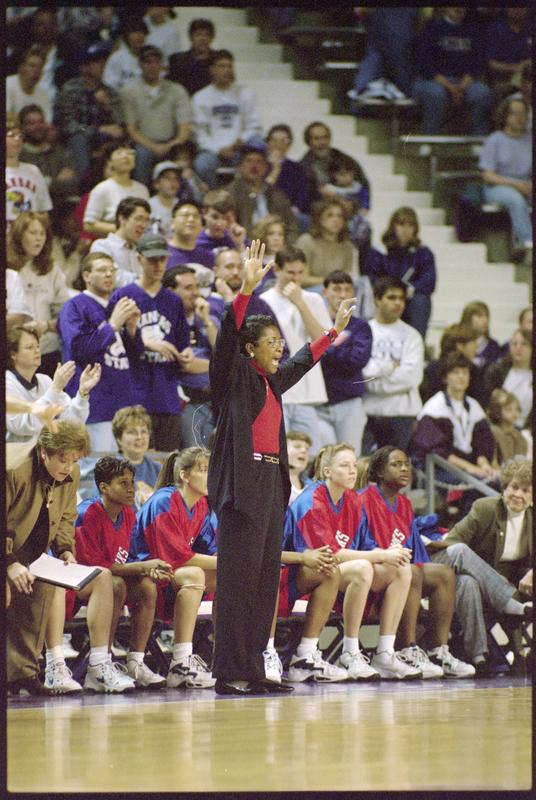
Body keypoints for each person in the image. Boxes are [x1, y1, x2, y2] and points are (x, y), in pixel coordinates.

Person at [207, 239, 357, 695]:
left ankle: (254, 668)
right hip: (242, 489)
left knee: (263, 582)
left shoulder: (270, 382)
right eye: (271, 342)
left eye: (279, 341)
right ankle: (229, 671)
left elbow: (301, 361)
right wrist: (246, 291)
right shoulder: (234, 376)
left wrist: (332, 332)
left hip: (271, 486)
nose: (279, 348)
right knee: (238, 584)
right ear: (249, 348)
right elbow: (226, 340)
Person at [285, 444, 419, 681]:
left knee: (401, 568)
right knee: (362, 567)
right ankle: (350, 652)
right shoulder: (312, 500)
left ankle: (385, 653)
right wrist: (381, 555)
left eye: (354, 465)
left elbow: (365, 546)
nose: (352, 471)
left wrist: (389, 553)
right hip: (298, 576)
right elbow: (328, 555)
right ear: (327, 471)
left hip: (336, 572)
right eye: (344, 465)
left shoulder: (352, 500)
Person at [358, 446, 475, 678]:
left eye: (407, 464)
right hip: (372, 567)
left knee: (443, 573)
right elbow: (361, 543)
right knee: (411, 570)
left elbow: (415, 550)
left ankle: (438, 651)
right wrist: (386, 555)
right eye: (396, 464)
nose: (404, 469)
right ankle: (406, 648)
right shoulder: (363, 499)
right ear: (379, 472)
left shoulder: (404, 503)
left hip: (400, 568)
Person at [6, 422, 91, 695]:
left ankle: (23, 673)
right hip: (8, 552)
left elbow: (66, 516)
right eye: (63, 459)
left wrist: (65, 549)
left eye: (74, 460)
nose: (69, 467)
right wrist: (9, 563)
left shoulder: (70, 473)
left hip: (30, 552)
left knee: (42, 586)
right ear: (44, 452)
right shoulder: (14, 470)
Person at [427, 458, 533, 675]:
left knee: (468, 583)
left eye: (525, 490)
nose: (518, 494)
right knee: (463, 557)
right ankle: (509, 603)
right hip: (449, 569)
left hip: (488, 585)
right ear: (504, 487)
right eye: (514, 487)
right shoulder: (485, 508)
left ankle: (479, 658)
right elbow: (452, 543)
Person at [75, 456, 173, 689]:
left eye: (132, 482)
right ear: (104, 487)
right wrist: (143, 566)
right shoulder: (87, 513)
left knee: (147, 586)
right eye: (123, 483)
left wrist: (147, 570)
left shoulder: (128, 513)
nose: (131, 489)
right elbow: (94, 568)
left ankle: (136, 662)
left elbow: (129, 559)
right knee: (114, 584)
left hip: (109, 579)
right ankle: (101, 664)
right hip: (79, 582)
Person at [132, 448, 217, 688]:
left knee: (228, 578)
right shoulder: (164, 501)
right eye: (203, 470)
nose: (210, 476)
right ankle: (180, 662)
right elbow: (176, 557)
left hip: (169, 577)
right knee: (195, 573)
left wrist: (228, 563)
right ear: (184, 475)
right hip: (144, 578)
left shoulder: (200, 505)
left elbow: (210, 549)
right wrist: (229, 561)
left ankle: (225, 656)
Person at [107, 231, 192, 450]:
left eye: (162, 259)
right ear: (139, 258)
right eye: (152, 259)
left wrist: (186, 353)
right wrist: (144, 342)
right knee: (134, 462)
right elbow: (110, 344)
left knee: (166, 463)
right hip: (134, 394)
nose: (158, 265)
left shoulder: (173, 301)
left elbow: (182, 343)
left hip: (166, 395)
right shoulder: (123, 296)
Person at [57, 251, 143, 452]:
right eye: (102, 270)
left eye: (112, 270)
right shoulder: (74, 306)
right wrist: (112, 325)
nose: (109, 274)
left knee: (127, 467)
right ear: (86, 275)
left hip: (124, 404)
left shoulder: (116, 306)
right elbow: (78, 348)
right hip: (95, 406)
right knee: (99, 464)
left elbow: (134, 357)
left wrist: (131, 329)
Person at [259, 246, 334, 455]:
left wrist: (300, 303)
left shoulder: (314, 299)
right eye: (290, 272)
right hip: (278, 390)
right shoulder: (264, 301)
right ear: (277, 270)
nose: (296, 278)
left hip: (306, 392)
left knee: (310, 454)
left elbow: (323, 341)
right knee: (278, 453)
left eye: (300, 272)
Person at [411, 352, 498, 485]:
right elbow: (437, 451)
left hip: (468, 467)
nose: (461, 376)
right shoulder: (434, 407)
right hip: (440, 469)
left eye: (465, 372)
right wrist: (470, 468)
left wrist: (484, 464)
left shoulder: (474, 406)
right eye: (456, 372)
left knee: (496, 481)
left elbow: (483, 441)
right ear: (445, 378)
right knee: (480, 485)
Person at [362, 276, 424, 454]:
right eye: (391, 297)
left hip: (402, 414)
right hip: (368, 412)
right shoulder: (363, 331)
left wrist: (374, 382)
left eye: (401, 298)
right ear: (377, 299)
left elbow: (411, 378)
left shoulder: (412, 336)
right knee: (363, 466)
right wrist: (390, 368)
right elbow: (361, 371)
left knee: (395, 468)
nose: (398, 303)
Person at [6, 326, 98, 443]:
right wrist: (55, 388)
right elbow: (23, 426)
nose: (37, 351)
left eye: (37, 346)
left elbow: (71, 423)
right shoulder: (7, 383)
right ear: (13, 354)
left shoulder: (45, 380)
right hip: (19, 453)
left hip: (48, 452)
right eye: (29, 347)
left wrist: (82, 393)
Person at [53, 41, 125, 190]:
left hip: (103, 140)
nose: (102, 66)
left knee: (121, 143)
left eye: (103, 62)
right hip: (76, 140)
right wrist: (97, 130)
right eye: (97, 63)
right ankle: (84, 190)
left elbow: (119, 125)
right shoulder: (70, 90)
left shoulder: (109, 92)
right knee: (78, 140)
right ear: (84, 67)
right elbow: (67, 126)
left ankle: (119, 187)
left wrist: (107, 107)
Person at [316, 270, 373, 456]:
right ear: (325, 292)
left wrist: (326, 349)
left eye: (347, 289)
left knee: (349, 457)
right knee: (322, 459)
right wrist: (339, 350)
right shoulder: (314, 323)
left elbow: (355, 361)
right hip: (318, 403)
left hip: (349, 401)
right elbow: (311, 359)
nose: (342, 294)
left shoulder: (361, 326)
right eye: (336, 289)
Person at [6, 211, 69, 377]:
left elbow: (66, 316)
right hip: (12, 352)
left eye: (42, 234)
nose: (39, 239)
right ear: (19, 235)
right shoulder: (8, 270)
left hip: (46, 352)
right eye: (33, 233)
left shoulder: (52, 270)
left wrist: (46, 325)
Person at [412, 7, 492, 135]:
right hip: (433, 81)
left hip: (464, 82)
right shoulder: (431, 27)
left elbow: (477, 64)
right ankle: (430, 139)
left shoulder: (473, 29)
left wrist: (461, 87)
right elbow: (425, 65)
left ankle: (479, 139)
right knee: (436, 95)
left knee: (482, 93)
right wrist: (451, 88)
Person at [121, 45, 192, 187]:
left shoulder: (177, 90)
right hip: (143, 144)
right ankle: (141, 195)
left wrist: (169, 145)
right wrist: (154, 147)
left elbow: (184, 129)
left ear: (161, 65)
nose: (152, 66)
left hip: (172, 143)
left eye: (156, 62)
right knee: (142, 155)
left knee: (185, 158)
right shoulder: (128, 91)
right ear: (140, 65)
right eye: (148, 62)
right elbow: (131, 129)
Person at [192, 50, 265, 188]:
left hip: (240, 149)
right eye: (222, 66)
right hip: (213, 151)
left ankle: (249, 192)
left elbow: (254, 125)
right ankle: (217, 195)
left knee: (258, 143)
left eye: (229, 66)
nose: (227, 70)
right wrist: (218, 149)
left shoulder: (246, 94)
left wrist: (241, 140)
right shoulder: (201, 97)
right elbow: (199, 133)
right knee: (201, 164)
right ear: (212, 70)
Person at [162, 266, 217, 448]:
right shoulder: (166, 322)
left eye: (196, 287)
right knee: (194, 457)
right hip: (187, 402)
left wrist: (207, 321)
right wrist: (220, 366)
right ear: (170, 292)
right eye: (188, 288)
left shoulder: (208, 319)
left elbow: (227, 353)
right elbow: (185, 364)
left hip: (215, 402)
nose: (195, 293)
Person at [364, 207, 437, 339]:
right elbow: (373, 278)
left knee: (421, 300)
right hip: (386, 296)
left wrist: (409, 290)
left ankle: (417, 343)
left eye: (410, 225)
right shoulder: (380, 251)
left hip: (410, 298)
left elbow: (429, 281)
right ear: (393, 226)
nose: (405, 230)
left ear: (415, 228)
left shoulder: (423, 252)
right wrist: (390, 291)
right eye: (401, 224)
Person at [478, 96, 532, 259]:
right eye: (515, 113)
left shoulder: (530, 141)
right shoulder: (495, 140)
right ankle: (528, 242)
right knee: (515, 200)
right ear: (506, 116)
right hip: (499, 185)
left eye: (523, 114)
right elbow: (488, 175)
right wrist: (515, 184)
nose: (520, 118)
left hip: (526, 183)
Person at [226, 145, 299, 243]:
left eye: (259, 161)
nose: (254, 166)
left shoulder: (276, 193)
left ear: (265, 167)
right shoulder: (230, 193)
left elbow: (291, 225)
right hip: (244, 244)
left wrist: (287, 246)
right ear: (240, 167)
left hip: (275, 244)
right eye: (249, 161)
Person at [83, 142, 150, 238]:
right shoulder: (102, 189)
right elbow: (88, 225)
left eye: (130, 153)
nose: (125, 156)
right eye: (119, 153)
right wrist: (123, 229)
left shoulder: (142, 189)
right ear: (109, 161)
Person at [299, 121, 370, 206]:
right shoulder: (302, 166)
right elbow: (302, 195)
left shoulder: (344, 160)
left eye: (325, 137)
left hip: (347, 206)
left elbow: (363, 184)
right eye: (316, 139)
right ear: (308, 141)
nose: (322, 142)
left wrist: (363, 206)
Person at [296, 197, 359, 288]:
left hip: (338, 291)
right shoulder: (306, 241)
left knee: (362, 283)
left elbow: (347, 278)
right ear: (320, 219)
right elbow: (302, 279)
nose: (336, 220)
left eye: (340, 216)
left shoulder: (348, 246)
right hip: (311, 291)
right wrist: (332, 281)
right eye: (330, 215)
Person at [19, 104, 78, 199]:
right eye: (32, 123)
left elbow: (73, 184)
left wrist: (47, 182)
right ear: (22, 127)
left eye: (41, 122)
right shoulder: (20, 156)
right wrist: (57, 182)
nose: (38, 127)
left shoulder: (61, 152)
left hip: (64, 205)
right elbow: (29, 188)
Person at [89, 196, 151, 286]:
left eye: (146, 220)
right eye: (139, 219)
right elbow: (114, 278)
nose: (143, 225)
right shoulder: (102, 246)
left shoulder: (143, 250)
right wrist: (147, 280)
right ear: (122, 219)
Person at [208, 247, 279, 324]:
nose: (235, 272)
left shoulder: (258, 303)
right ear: (215, 271)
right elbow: (231, 330)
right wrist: (229, 299)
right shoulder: (208, 305)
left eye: (240, 267)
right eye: (229, 267)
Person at [322, 153, 372, 261]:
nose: (346, 177)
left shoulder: (359, 189)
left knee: (364, 227)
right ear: (334, 175)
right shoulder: (328, 191)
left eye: (349, 173)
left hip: (354, 219)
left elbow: (365, 208)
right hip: (335, 219)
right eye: (341, 174)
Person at [420, 323, 482, 405]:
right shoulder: (473, 371)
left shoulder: (431, 367)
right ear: (460, 346)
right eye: (473, 343)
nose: (476, 347)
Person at [6, 118, 52, 226]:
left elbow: (43, 211)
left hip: (28, 233)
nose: (17, 139)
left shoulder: (33, 171)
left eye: (20, 136)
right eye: (11, 135)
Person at [112, 406, 162, 505]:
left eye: (143, 431)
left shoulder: (159, 470)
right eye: (132, 432)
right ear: (119, 439)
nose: (139, 437)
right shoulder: (107, 472)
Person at [264, 124, 311, 229]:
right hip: (264, 210)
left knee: (305, 221)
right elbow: (262, 190)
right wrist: (275, 168)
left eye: (283, 141)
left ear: (289, 144)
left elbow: (301, 194)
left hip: (288, 212)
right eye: (274, 140)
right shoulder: (259, 165)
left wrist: (294, 210)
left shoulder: (296, 168)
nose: (278, 145)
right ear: (268, 143)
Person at [484, 329, 532, 426]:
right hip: (498, 427)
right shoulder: (497, 371)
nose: (518, 348)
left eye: (524, 344)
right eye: (514, 344)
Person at [485, 8, 532, 99]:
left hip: (527, 75)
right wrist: (514, 68)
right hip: (502, 79)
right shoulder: (496, 29)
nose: (517, 10)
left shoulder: (530, 28)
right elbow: (490, 63)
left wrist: (524, 65)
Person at [167, 18, 216, 97]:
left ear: (211, 38)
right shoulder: (177, 60)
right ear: (191, 37)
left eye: (206, 35)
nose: (202, 39)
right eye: (198, 34)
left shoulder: (218, 60)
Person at [149, 160, 197, 239]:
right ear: (156, 184)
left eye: (176, 178)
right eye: (167, 178)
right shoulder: (149, 206)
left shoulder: (183, 206)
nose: (173, 182)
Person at [6, 45, 52, 123]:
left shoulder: (43, 96)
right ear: (21, 67)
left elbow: (46, 123)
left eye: (40, 67)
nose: (36, 71)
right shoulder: (8, 85)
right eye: (32, 66)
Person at [195, 189, 247, 258]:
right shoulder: (195, 243)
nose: (219, 224)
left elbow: (251, 264)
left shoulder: (238, 238)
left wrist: (239, 245)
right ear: (204, 213)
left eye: (225, 218)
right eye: (215, 217)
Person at [166, 199, 214, 270]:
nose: (191, 219)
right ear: (172, 223)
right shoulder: (162, 254)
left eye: (196, 216)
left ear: (202, 226)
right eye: (185, 215)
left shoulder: (208, 257)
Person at [102, 17, 147, 91]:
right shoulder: (117, 58)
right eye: (134, 32)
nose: (138, 36)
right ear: (127, 36)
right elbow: (109, 85)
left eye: (142, 32)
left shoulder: (151, 56)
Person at [458, 300, 501, 372]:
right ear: (468, 318)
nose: (485, 320)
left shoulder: (493, 346)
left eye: (487, 316)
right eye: (480, 316)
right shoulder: (458, 343)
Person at [487, 389, 528, 465]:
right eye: (509, 409)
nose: (514, 413)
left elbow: (522, 461)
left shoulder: (520, 437)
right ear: (497, 411)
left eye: (517, 409)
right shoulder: (493, 432)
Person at [286, 431, 313, 505]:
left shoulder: (312, 488)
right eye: (297, 446)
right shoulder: (276, 483)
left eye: (307, 448)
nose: (304, 451)